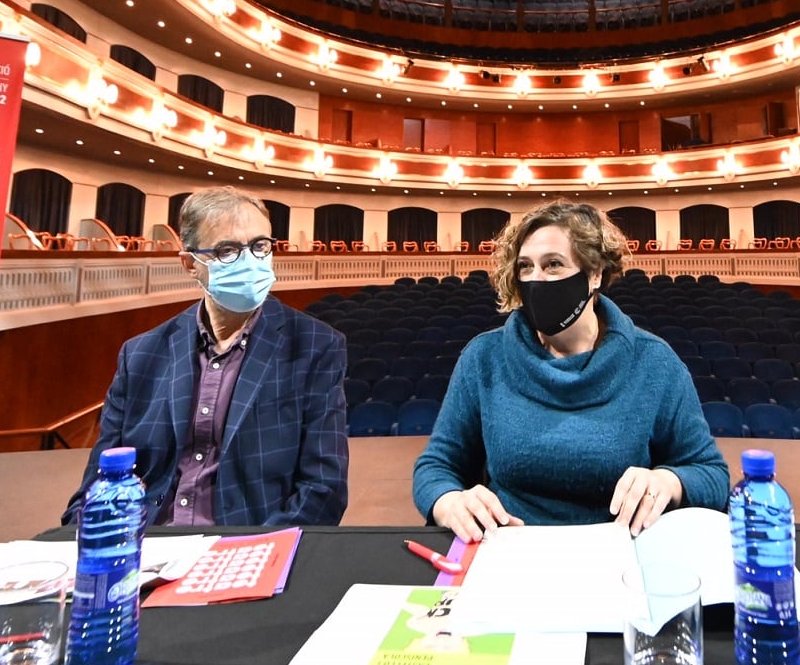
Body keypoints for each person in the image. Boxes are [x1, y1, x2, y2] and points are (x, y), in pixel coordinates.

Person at [412, 201, 728, 541]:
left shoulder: (654, 362)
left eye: (553, 265)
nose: (536, 279)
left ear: (594, 274)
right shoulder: (484, 358)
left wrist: (669, 481)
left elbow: (711, 474)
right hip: (509, 550)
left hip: (622, 553)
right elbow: (436, 467)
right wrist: (449, 501)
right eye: (525, 267)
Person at [63, 188, 347, 528]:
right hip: (146, 544)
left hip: (249, 544)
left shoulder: (314, 345)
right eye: (227, 250)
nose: (249, 262)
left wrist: (260, 551)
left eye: (259, 246)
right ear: (190, 264)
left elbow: (323, 490)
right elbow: (99, 483)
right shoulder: (140, 355)